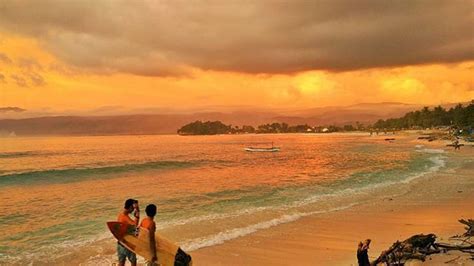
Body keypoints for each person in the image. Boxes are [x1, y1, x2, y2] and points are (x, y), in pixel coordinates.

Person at [117, 198, 140, 266]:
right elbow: (135, 226)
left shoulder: (120, 215)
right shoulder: (125, 218)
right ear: (130, 207)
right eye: (133, 208)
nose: (133, 210)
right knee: (133, 262)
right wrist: (138, 212)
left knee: (121, 263)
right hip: (127, 245)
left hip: (120, 243)